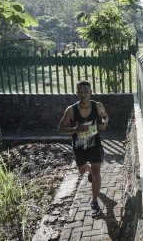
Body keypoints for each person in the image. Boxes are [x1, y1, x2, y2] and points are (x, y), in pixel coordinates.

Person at [58, 79, 109, 216]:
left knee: (97, 171)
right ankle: (89, 172)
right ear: (76, 93)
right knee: (81, 171)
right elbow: (60, 129)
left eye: (86, 91)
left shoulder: (98, 106)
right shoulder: (71, 110)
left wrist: (104, 123)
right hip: (79, 147)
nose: (83, 94)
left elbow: (105, 117)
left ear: (90, 92)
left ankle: (94, 201)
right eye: (80, 92)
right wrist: (76, 129)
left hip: (95, 144)